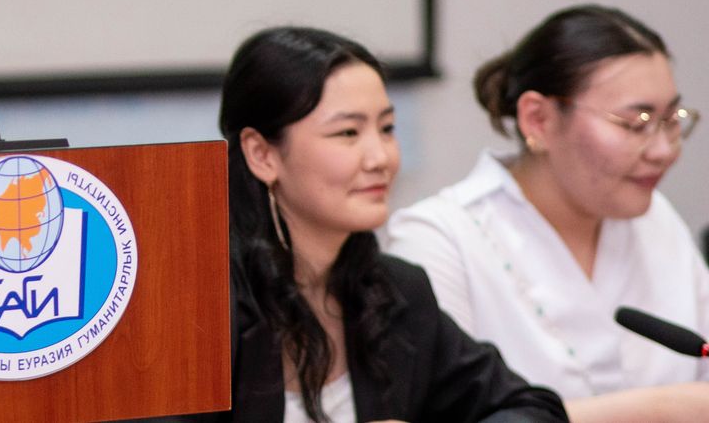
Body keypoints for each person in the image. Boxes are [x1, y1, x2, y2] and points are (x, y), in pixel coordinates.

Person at [185, 26, 567, 423]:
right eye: (348, 132)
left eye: (386, 129)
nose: (380, 158)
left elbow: (534, 409)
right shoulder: (194, 306)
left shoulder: (395, 291)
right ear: (262, 154)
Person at [385, 5, 709, 422]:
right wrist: (667, 407)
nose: (664, 150)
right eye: (636, 122)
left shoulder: (655, 217)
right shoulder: (440, 239)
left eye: (671, 120)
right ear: (537, 119)